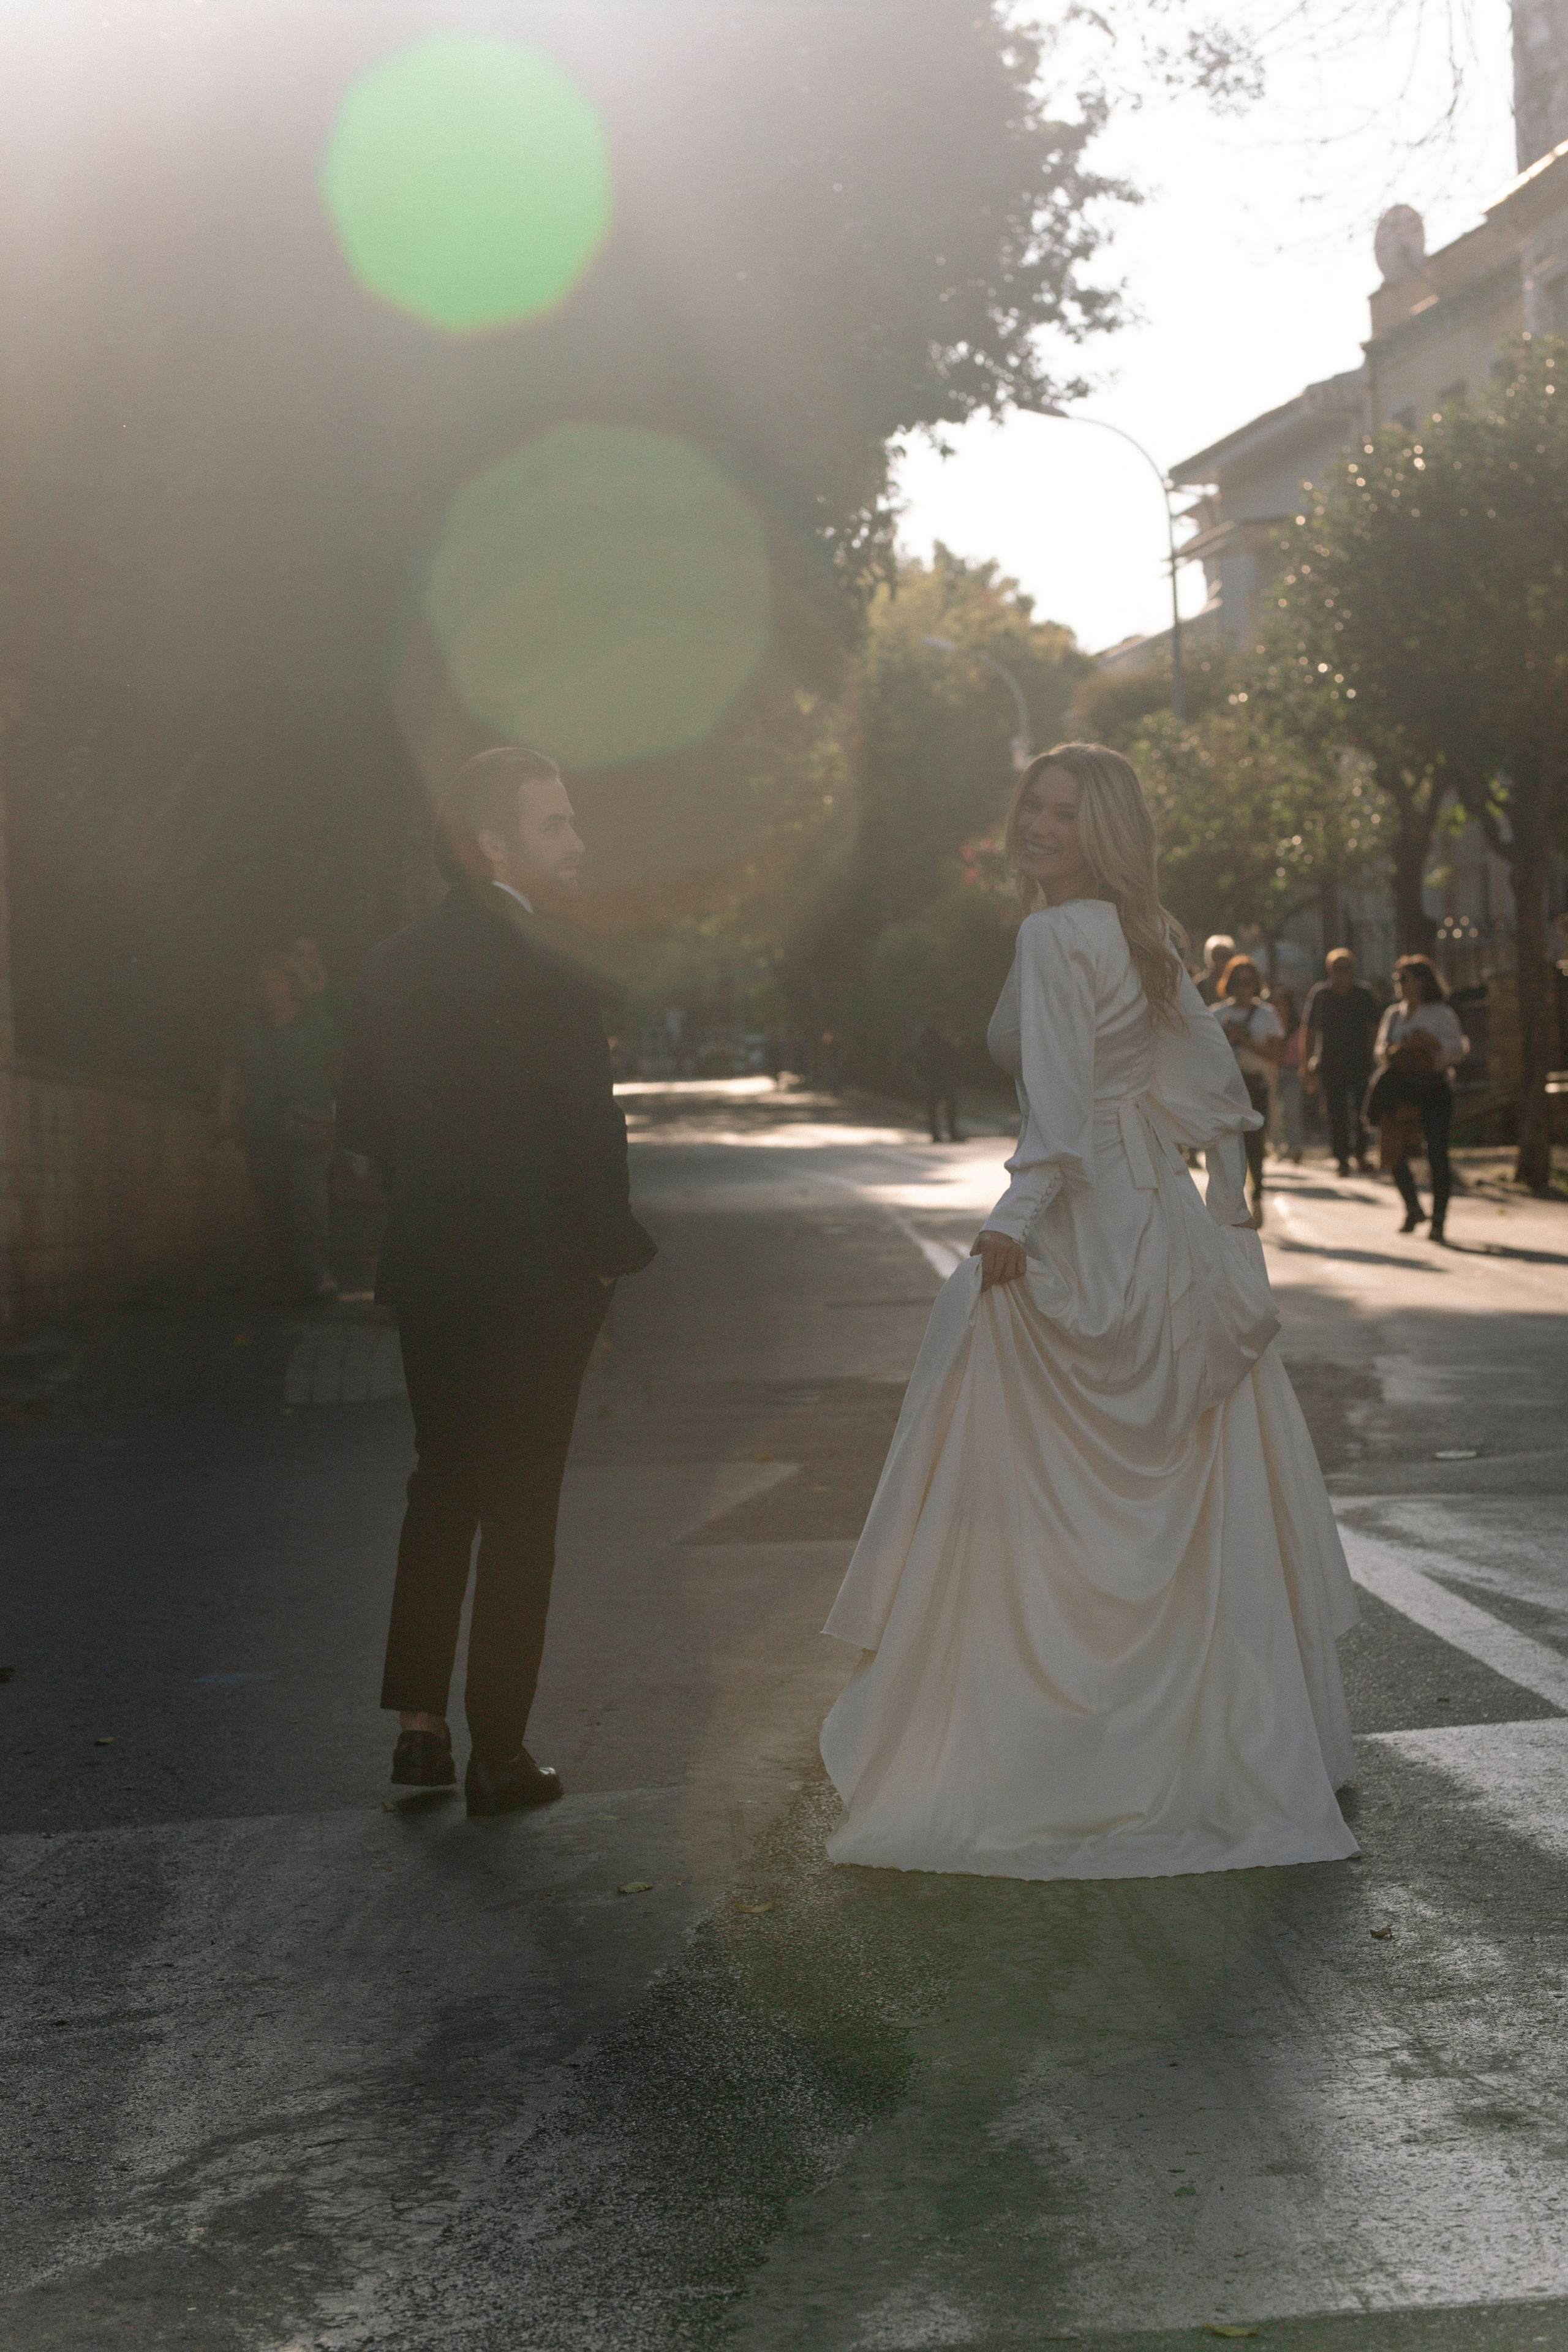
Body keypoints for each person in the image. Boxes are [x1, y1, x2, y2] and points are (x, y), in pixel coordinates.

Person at [819, 742, 1359, 1882]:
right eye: (1033, 804)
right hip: (1154, 1215)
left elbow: (1060, 1108)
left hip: (1081, 1210)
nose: (1038, 824)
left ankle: (1055, 1750)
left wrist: (1017, 1215)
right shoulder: (1150, 933)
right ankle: (1192, 1744)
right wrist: (1223, 1197)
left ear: (1103, 826)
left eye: (1064, 811)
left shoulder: (1057, 934)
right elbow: (1211, 1085)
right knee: (1178, 1478)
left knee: (1022, 1473)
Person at [338, 747, 657, 1817]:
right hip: (537, 1271)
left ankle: (420, 1733)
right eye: (555, 823)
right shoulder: (550, 958)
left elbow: (364, 1126)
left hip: (433, 1257)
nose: (577, 842)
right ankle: (500, 1755)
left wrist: (435, 1190)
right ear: (494, 844)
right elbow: (589, 1127)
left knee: (443, 1482)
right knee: (521, 1504)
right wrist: (612, 1248)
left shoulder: (386, 967)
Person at [219, 951, 342, 1300]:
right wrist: (226, 1111)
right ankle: (290, 1275)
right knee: (272, 1201)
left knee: (307, 1198)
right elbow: (233, 1072)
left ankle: (317, 1275)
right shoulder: (248, 1028)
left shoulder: (318, 1024)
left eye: (276, 981)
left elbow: (340, 1072)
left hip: (311, 1126)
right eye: (263, 983)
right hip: (263, 1128)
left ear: (292, 985)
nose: (269, 989)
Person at [1367, 954, 1469, 1244]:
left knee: (1437, 1152)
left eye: (1405, 979)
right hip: (1400, 1089)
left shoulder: (1440, 1013)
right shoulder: (1394, 1014)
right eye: (1397, 980)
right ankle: (1413, 1207)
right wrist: (1394, 1051)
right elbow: (1380, 1051)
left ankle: (1438, 1220)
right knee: (1393, 1149)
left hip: (1433, 1087)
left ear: (1422, 982)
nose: (1400, 985)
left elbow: (1458, 1050)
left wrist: (1431, 1045)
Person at [1212, 955, 1282, 1224]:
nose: (1243, 988)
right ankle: (1231, 1200)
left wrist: (1245, 1039)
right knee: (1227, 1142)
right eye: (1238, 982)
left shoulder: (1267, 1015)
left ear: (1256, 985)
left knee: (1254, 1142)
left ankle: (1257, 1196)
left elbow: (1275, 1053)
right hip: (1226, 1086)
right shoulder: (1216, 1013)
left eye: (1249, 982)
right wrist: (1228, 1038)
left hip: (1254, 1084)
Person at [1302, 949, 1379, 1175]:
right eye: (1337, 968)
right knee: (1336, 1112)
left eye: (1346, 968)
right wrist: (1305, 1064)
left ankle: (1362, 1154)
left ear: (1353, 969)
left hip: (1361, 1061)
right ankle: (1342, 1159)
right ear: (1329, 970)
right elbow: (1308, 1031)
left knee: (1362, 1112)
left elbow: (1376, 1028)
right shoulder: (1321, 994)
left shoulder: (1364, 994)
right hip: (1331, 1062)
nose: (1342, 973)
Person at [911, 1017, 963, 1143]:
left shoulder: (938, 1033)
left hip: (941, 1072)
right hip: (935, 1072)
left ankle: (948, 1131)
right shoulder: (930, 1035)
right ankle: (938, 1133)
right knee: (936, 1103)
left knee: (947, 1102)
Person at [1269, 986, 1305, 1163]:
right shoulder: (1269, 1024)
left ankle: (1294, 1147)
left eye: (1283, 1004)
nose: (1280, 1007)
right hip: (1274, 1071)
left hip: (1293, 1071)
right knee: (1275, 1112)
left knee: (1292, 1111)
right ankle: (1278, 1147)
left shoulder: (1297, 1026)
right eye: (1277, 1004)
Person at [1195, 933, 1236, 1005]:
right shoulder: (1201, 984)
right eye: (1218, 956)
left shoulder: (1237, 982)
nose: (1222, 960)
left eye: (1226, 956)